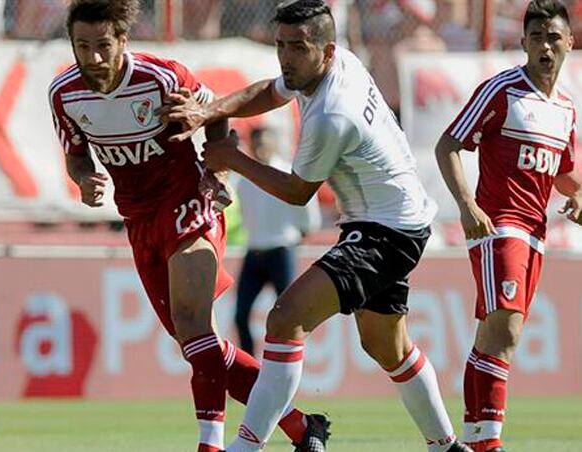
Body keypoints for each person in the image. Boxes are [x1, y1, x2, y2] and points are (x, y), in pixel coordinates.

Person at [160, 1, 472, 451]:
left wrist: (233, 160)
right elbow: (271, 91)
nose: (286, 57)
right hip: (392, 219)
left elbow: (297, 191)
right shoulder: (333, 63)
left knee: (286, 318)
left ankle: (248, 446)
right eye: (281, 45)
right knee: (387, 345)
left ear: (325, 51)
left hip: (386, 230)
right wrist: (209, 113)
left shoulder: (332, 114)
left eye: (298, 47)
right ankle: (447, 446)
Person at [48, 2, 322, 451]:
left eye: (103, 46)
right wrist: (83, 180)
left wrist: (217, 173)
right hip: (138, 220)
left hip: (187, 202)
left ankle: (210, 444)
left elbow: (216, 112)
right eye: (83, 46)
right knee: (197, 345)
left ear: (123, 41)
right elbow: (77, 154)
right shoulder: (64, 93)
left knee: (195, 327)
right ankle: (299, 425)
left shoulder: (162, 77)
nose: (93, 58)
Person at [434, 2, 581, 451]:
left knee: (494, 336)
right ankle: (489, 442)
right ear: (523, 44)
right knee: (507, 330)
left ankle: (474, 439)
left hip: (536, 233)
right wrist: (466, 206)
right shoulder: (502, 91)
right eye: (536, 37)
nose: (545, 46)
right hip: (498, 225)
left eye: (554, 37)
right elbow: (448, 144)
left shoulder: (565, 109)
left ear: (569, 44)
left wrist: (577, 197)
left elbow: (564, 173)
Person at [234, 127, 320, 357]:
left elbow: (308, 215)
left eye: (264, 142)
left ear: (274, 143)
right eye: (256, 143)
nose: (260, 148)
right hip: (254, 251)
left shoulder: (286, 173)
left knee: (290, 315)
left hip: (281, 251)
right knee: (240, 314)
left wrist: (297, 234)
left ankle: (288, 364)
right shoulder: (245, 181)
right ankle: (250, 369)